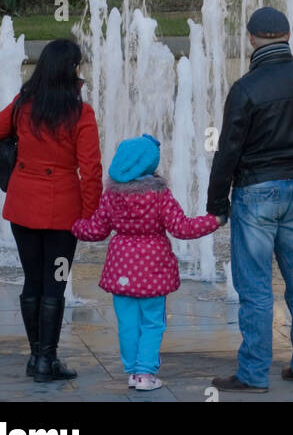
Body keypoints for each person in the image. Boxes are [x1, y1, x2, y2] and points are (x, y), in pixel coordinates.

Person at [207, 6, 293, 393]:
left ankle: (254, 373)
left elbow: (228, 150)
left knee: (256, 287)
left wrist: (217, 204)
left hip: (257, 192)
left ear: (251, 39)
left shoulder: (246, 88)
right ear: (289, 37)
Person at [0, 37, 102, 382]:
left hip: (23, 210)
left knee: (32, 281)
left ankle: (37, 358)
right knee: (56, 283)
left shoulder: (24, 105)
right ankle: (47, 360)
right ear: (72, 69)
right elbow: (90, 170)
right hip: (63, 216)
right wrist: (90, 217)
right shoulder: (81, 113)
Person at [73, 133, 222, 391]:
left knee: (127, 323)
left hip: (121, 267)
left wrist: (74, 225)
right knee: (152, 321)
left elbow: (96, 231)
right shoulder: (159, 194)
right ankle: (145, 373)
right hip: (153, 268)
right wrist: (214, 220)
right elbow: (182, 228)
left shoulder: (111, 196)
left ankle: (132, 372)